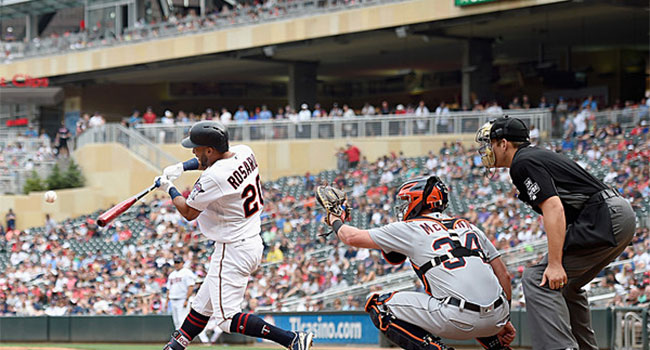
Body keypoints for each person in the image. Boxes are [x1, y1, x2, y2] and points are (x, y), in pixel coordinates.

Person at [475, 116, 636, 350]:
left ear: (504, 143)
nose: (487, 149)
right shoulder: (532, 156)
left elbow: (553, 207)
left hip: (604, 217)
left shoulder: (522, 162)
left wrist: (555, 262)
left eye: (491, 142)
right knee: (566, 286)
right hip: (613, 214)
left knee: (537, 279)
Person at [155, 121, 313, 350]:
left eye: (197, 148)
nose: (194, 152)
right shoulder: (244, 151)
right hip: (250, 240)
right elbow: (210, 161)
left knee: (227, 320)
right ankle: (174, 346)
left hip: (232, 247)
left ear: (209, 149)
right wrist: (182, 167)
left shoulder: (213, 177)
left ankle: (291, 339)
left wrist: (169, 187)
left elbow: (188, 212)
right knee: (202, 305)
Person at [319, 176, 515, 350]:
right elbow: (504, 276)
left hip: (457, 319)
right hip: (498, 316)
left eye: (407, 200)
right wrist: (502, 320)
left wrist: (335, 218)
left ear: (418, 201)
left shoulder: (410, 227)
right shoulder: (469, 226)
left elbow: (350, 237)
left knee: (379, 305)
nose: (404, 206)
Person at [165, 255, 197, 330]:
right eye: (175, 262)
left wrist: (186, 299)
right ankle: (178, 340)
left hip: (182, 300)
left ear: (182, 263)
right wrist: (167, 301)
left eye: (178, 262)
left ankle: (182, 339)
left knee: (182, 321)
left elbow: (191, 286)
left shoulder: (187, 272)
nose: (176, 264)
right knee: (176, 322)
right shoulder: (172, 274)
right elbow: (168, 289)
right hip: (173, 300)